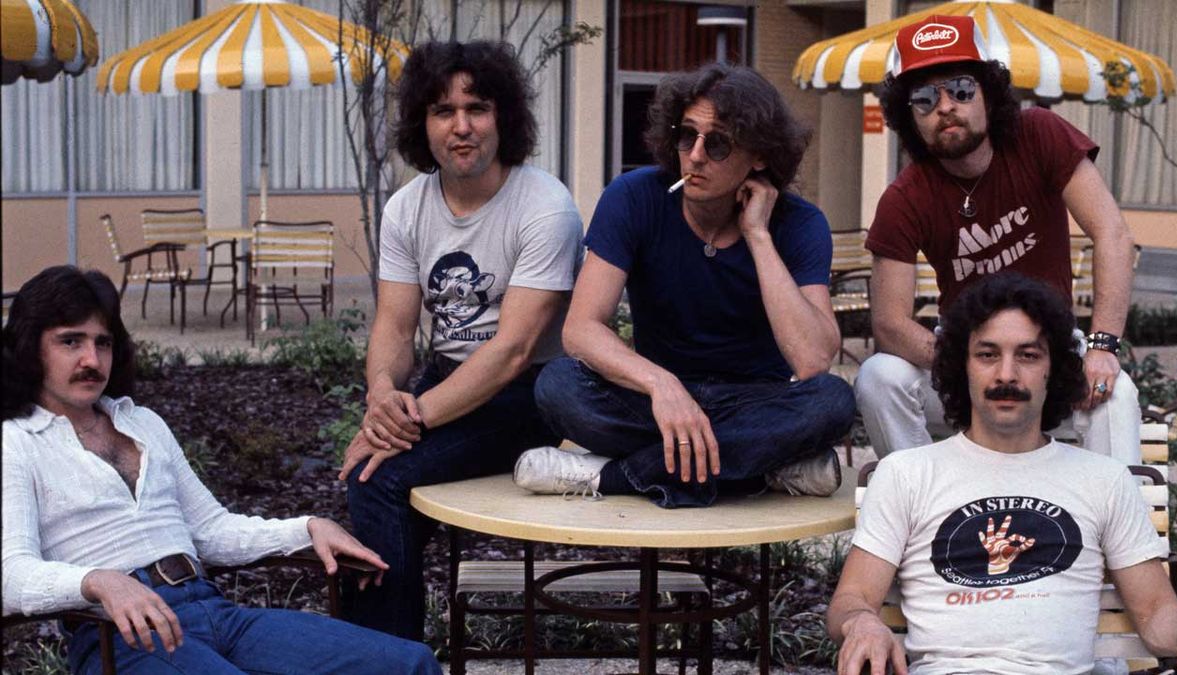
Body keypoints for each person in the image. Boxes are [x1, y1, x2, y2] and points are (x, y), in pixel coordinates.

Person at [1, 266, 440, 675]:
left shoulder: (142, 423)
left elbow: (211, 530)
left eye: (103, 342)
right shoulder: (16, 442)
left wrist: (306, 528)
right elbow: (12, 574)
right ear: (30, 348)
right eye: (70, 341)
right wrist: (98, 582)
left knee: (408, 663)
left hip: (215, 612)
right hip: (119, 636)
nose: (92, 360)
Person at [512, 63, 855, 508]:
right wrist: (661, 385)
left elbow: (812, 361)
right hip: (654, 403)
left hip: (752, 403)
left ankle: (613, 476)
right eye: (685, 135)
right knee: (558, 384)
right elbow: (580, 330)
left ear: (760, 156)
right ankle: (757, 468)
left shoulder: (799, 223)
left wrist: (758, 236)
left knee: (832, 401)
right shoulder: (633, 197)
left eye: (717, 144)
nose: (694, 156)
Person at [826, 272, 1177, 674]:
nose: (1007, 374)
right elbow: (852, 598)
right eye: (988, 355)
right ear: (962, 366)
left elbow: (1156, 609)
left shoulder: (1104, 480)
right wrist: (862, 622)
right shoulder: (906, 475)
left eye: (1028, 355)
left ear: (1052, 370)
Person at [338, 39, 583, 639]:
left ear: (505, 118)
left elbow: (513, 351)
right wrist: (378, 398)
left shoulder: (545, 207)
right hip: (444, 380)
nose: (462, 126)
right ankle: (379, 648)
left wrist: (405, 425)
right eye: (443, 111)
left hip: (528, 395)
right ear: (424, 124)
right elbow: (395, 328)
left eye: (477, 108)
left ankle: (387, 657)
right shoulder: (406, 209)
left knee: (379, 478)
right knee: (373, 481)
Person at [855, 14, 1141, 463]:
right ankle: (925, 506)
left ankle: (1118, 529)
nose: (945, 106)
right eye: (925, 98)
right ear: (908, 116)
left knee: (1115, 393)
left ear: (989, 92)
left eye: (962, 89)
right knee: (878, 376)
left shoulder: (1040, 135)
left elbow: (1113, 235)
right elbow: (890, 324)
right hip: (963, 360)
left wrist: (1102, 347)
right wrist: (968, 359)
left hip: (1049, 350)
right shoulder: (903, 197)